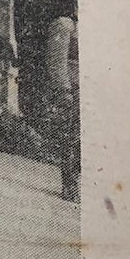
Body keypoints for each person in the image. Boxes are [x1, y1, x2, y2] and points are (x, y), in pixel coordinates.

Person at [45, 12, 80, 203]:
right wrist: (63, 89)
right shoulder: (66, 25)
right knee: (71, 138)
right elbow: (57, 60)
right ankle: (70, 185)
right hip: (72, 89)